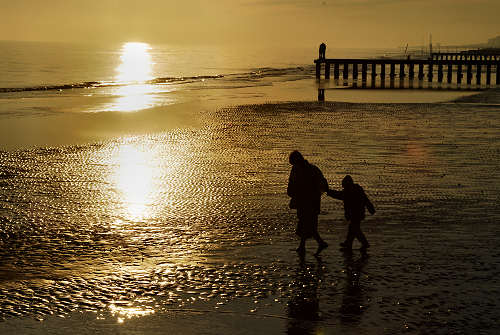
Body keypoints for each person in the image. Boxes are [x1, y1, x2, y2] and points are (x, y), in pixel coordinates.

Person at [287, 151, 329, 256]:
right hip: (308, 201)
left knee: (306, 223)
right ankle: (313, 244)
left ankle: (308, 245)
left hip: (308, 201)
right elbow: (323, 183)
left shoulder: (304, 169)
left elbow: (292, 184)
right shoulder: (311, 169)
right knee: (307, 224)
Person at [327, 175, 375, 251]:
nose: (343, 187)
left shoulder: (348, 191)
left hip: (355, 214)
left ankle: (364, 243)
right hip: (359, 213)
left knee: (355, 229)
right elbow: (366, 200)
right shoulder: (357, 189)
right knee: (352, 229)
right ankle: (348, 243)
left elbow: (339, 195)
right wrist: (371, 208)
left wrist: (329, 192)